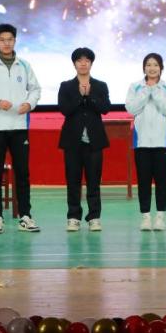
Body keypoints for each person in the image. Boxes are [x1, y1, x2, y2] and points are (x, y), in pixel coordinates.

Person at [0, 23, 42, 234]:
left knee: (23, 173)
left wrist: (29, 104)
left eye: (10, 39)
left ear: (15, 41)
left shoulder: (24, 65)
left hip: (20, 126)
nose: (6, 43)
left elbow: (35, 89)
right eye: (2, 40)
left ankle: (25, 216)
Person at [58, 47, 111, 232]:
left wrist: (90, 96)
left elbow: (105, 108)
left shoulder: (100, 85)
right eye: (79, 60)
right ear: (74, 64)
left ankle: (94, 217)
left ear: (91, 63)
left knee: (94, 182)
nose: (83, 64)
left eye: (87, 60)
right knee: (73, 181)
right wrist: (80, 97)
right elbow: (64, 109)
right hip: (72, 141)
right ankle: (73, 217)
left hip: (94, 142)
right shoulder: (66, 86)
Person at [125, 53, 166, 231]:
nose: (152, 68)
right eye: (148, 65)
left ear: (161, 68)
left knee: (162, 181)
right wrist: (146, 92)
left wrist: (155, 92)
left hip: (162, 142)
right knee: (143, 181)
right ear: (144, 68)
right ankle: (146, 217)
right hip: (142, 142)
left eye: (155, 65)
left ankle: (160, 217)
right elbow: (131, 108)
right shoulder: (135, 87)